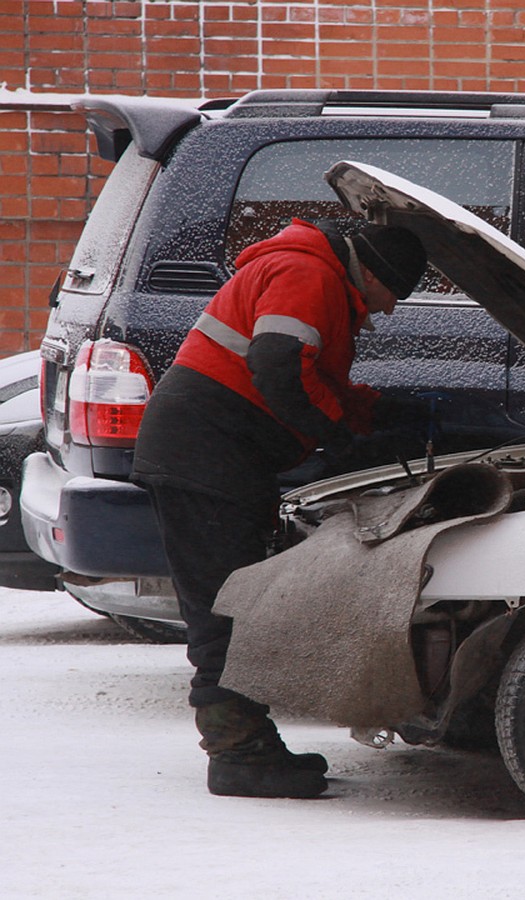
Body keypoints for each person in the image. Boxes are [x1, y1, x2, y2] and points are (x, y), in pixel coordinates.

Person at [132, 217, 428, 799]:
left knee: (236, 604)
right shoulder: (308, 272)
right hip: (204, 455)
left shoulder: (315, 275)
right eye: (392, 294)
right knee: (225, 609)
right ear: (372, 271)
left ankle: (247, 745)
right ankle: (239, 755)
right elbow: (277, 366)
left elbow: (305, 373)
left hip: (212, 456)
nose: (388, 311)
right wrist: (341, 437)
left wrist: (374, 412)